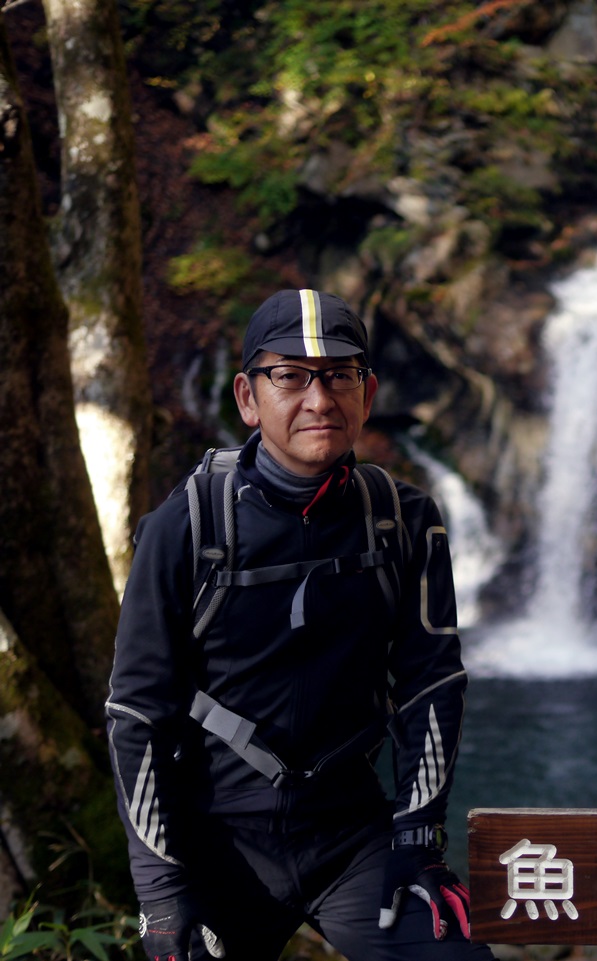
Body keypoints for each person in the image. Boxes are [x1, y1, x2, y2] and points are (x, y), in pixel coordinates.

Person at [106, 289, 493, 961]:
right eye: (290, 376)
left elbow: (433, 683)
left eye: (340, 375)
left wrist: (418, 837)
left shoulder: (403, 519)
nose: (319, 399)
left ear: (367, 392)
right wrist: (162, 893)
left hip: (352, 837)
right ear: (248, 398)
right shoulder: (187, 527)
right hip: (219, 843)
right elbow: (136, 713)